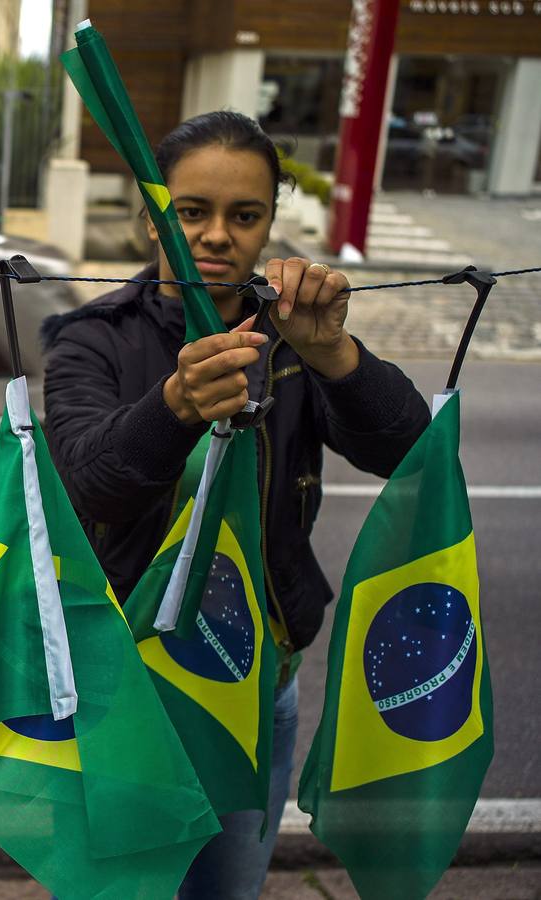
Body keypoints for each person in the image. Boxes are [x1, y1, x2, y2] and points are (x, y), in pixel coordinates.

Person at [40, 111, 431, 899]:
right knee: (120, 889)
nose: (216, 236)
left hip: (256, 687)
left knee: (225, 890)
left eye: (243, 215)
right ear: (154, 220)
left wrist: (333, 354)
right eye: (191, 212)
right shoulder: (92, 339)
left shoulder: (290, 335)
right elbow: (91, 485)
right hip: (129, 694)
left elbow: (410, 456)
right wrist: (174, 404)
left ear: (267, 227)